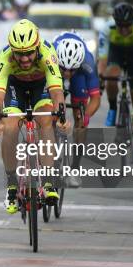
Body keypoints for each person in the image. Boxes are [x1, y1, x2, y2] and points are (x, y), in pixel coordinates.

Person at [0, 19, 71, 214]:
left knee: (45, 120)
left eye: (28, 53)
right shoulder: (4, 58)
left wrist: (61, 117)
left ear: (37, 47)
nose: (24, 59)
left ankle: (49, 181)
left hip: (40, 86)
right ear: (12, 50)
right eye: (19, 54)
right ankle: (11, 185)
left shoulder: (48, 54)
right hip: (14, 87)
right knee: (10, 127)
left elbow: (57, 92)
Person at [98, 3, 133, 162]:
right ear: (115, 22)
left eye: (128, 26)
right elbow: (103, 59)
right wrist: (102, 77)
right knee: (111, 76)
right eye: (120, 26)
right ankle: (113, 108)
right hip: (116, 52)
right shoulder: (107, 30)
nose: (124, 30)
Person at [53, 31, 101, 188]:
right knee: (50, 112)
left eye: (71, 70)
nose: (67, 73)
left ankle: (74, 169)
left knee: (80, 120)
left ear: (78, 65)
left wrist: (84, 117)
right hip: (54, 74)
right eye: (64, 69)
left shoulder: (87, 62)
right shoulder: (51, 56)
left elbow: (96, 99)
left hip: (79, 78)